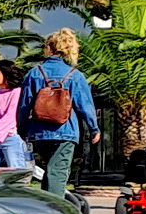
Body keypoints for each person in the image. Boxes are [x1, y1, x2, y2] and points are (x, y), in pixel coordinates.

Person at [17, 29, 98, 195]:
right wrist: (94, 129)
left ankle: (46, 205)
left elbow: (24, 105)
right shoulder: (75, 75)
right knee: (58, 172)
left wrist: (23, 129)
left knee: (51, 169)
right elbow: (85, 105)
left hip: (39, 131)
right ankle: (56, 212)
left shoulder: (34, 73)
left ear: (49, 47)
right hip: (65, 131)